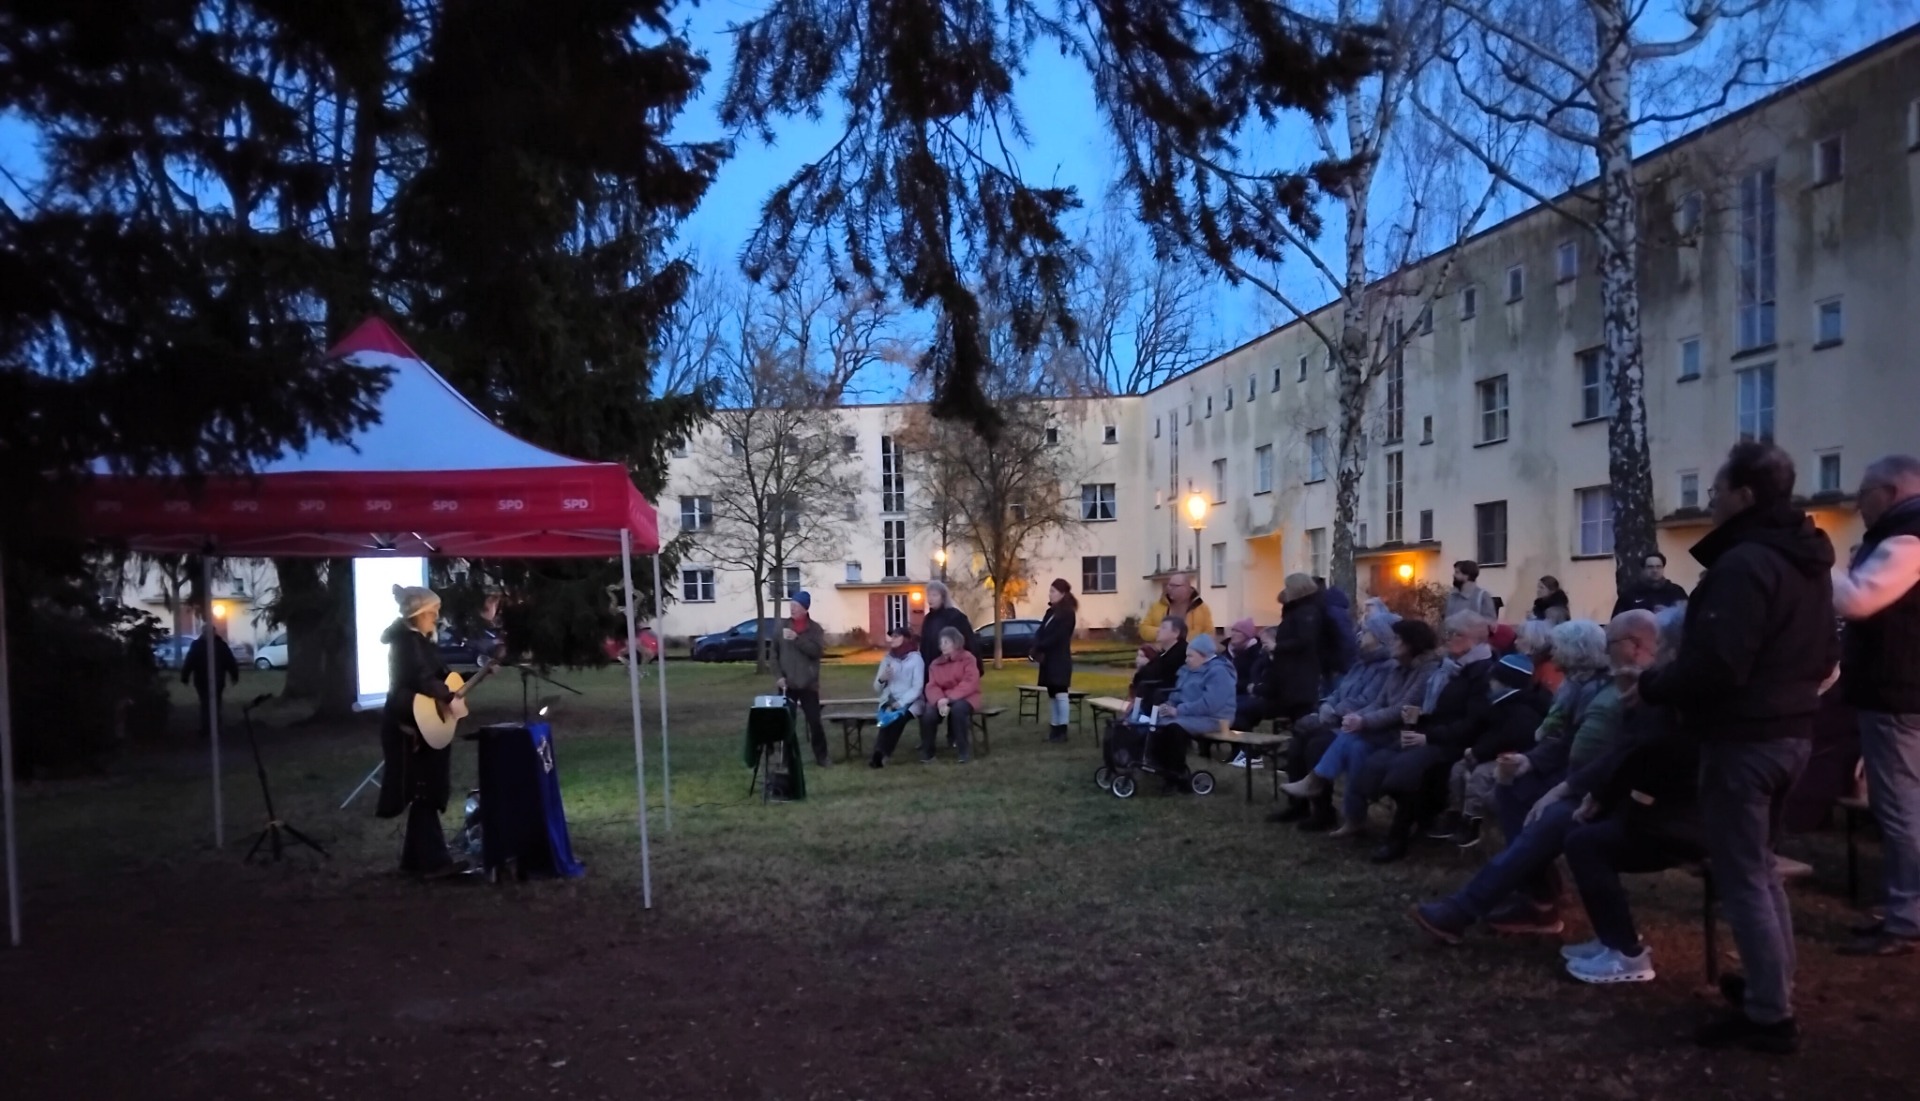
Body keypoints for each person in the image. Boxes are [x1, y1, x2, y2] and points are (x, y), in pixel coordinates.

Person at [1638, 441, 1836, 1054]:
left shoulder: (1745, 565)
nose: (1709, 500)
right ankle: (1771, 987)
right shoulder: (1805, 561)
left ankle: (1770, 1015)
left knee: (1744, 874)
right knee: (1762, 869)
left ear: (1744, 495)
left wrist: (1653, 684)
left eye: (1716, 490)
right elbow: (1825, 653)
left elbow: (1718, 666)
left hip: (1745, 740)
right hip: (1792, 732)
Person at [1409, 609, 1664, 946]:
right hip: (1587, 781)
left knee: (1550, 818)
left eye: (1611, 642)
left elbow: (1603, 756)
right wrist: (1528, 761)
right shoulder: (1587, 687)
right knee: (1512, 787)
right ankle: (1540, 894)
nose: (1552, 656)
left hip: (1610, 795)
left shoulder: (1623, 694)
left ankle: (1464, 909)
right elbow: (1566, 742)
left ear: (1634, 646)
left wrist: (1562, 789)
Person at [1831, 454, 1920, 956]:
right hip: (1904, 690)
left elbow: (1858, 600)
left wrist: (1815, 565)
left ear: (1890, 492)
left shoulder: (1908, 537)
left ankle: (1906, 918)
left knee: (1901, 807)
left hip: (1898, 693)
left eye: (1864, 493)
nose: (1859, 503)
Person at [1559, 695, 1706, 985]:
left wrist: (1601, 797)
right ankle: (1611, 940)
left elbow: (1641, 758)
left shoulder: (1674, 714)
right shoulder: (1688, 711)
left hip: (1688, 827)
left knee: (1586, 845)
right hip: (1688, 819)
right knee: (1588, 838)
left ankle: (1625, 952)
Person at [1280, 619, 1442, 837]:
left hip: (1403, 733)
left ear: (1411, 643)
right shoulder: (1396, 668)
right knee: (1355, 748)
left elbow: (1401, 708)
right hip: (1380, 729)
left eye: (1397, 639)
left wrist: (1362, 720)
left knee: (1343, 739)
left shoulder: (1425, 670)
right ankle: (1353, 817)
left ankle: (1318, 783)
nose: (1392, 642)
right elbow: (1378, 702)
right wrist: (1358, 717)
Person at [375, 585, 465, 878]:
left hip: (415, 722)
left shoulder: (418, 642)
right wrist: (448, 696)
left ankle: (416, 860)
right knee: (424, 788)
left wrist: (460, 683)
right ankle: (433, 861)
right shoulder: (408, 643)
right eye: (433, 612)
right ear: (419, 614)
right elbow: (422, 678)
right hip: (410, 726)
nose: (436, 617)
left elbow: (438, 674)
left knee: (422, 789)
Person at [1435, 653, 1551, 849]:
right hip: (1490, 752)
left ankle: (1472, 821)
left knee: (1480, 776)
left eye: (1494, 679)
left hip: (1514, 756)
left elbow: (1508, 737)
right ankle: (1455, 812)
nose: (1490, 683)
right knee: (1457, 770)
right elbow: (1489, 731)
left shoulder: (1522, 709)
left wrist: (1479, 752)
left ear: (1506, 682)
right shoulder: (1498, 703)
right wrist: (1475, 750)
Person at [1150, 632, 1238, 791]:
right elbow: (1177, 693)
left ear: (1203, 655)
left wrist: (1177, 710)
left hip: (1216, 718)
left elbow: (1211, 704)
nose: (1186, 660)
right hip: (1191, 714)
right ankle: (1163, 770)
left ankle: (1177, 777)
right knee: (1157, 725)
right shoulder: (1188, 669)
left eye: (1190, 656)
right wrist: (1168, 704)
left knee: (1174, 728)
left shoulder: (1219, 672)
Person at [775, 591, 831, 767]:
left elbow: (816, 652)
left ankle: (822, 757)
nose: (792, 609)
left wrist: (797, 639)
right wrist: (778, 676)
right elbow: (773, 655)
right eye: (791, 605)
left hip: (808, 684)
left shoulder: (815, 629)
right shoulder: (781, 626)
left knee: (815, 722)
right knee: (786, 722)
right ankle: (786, 758)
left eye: (796, 606)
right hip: (787, 683)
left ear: (805, 609)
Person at [921, 627, 982, 763]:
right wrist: (939, 700)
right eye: (941, 643)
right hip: (942, 698)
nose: (942, 646)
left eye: (946, 642)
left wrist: (949, 699)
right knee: (928, 713)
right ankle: (928, 753)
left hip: (966, 696)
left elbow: (970, 682)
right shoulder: (935, 664)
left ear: (956, 642)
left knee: (958, 710)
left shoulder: (968, 659)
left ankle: (963, 752)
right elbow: (932, 685)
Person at [869, 625, 926, 767]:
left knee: (898, 719)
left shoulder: (916, 659)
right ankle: (879, 754)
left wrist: (901, 703)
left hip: (912, 702)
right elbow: (877, 688)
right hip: (890, 700)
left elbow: (917, 687)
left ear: (906, 639)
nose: (892, 639)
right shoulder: (888, 659)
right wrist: (882, 679)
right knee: (886, 719)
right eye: (892, 636)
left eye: (896, 636)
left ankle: (883, 754)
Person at [1032, 579, 1078, 743]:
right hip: (1048, 659)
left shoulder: (1068, 614)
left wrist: (1041, 646)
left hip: (1060, 658)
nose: (1050, 594)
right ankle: (1054, 728)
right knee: (1052, 693)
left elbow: (1059, 636)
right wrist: (1036, 644)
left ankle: (1062, 730)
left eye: (1053, 591)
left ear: (1062, 594)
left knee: (1061, 693)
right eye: (1050, 591)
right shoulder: (1050, 612)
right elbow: (1041, 631)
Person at [181, 620, 239, 742]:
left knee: (208, 704)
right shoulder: (218, 645)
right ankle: (212, 727)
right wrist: (234, 675)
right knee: (212, 703)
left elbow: (189, 661)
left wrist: (185, 676)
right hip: (210, 680)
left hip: (207, 680)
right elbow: (230, 661)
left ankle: (209, 728)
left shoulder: (203, 645)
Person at [1130, 617, 1188, 712]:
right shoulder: (1165, 653)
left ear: (1176, 633)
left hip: (1165, 703)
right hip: (1151, 700)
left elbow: (1158, 674)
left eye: (1163, 627)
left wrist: (1144, 667)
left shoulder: (1182, 653)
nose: (1158, 631)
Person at [1140, 572, 1214, 646]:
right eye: (1169, 585)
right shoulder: (1157, 606)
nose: (1169, 588)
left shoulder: (1201, 608)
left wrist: (1193, 645)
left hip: (1191, 651)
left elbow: (1210, 634)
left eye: (1174, 586)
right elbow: (1143, 629)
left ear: (1186, 587)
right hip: (1164, 652)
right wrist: (1163, 632)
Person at [919, 581, 976, 671]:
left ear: (943, 598)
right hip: (932, 667)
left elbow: (968, 641)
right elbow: (924, 645)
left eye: (934, 595)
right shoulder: (928, 619)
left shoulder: (955, 616)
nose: (930, 598)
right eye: (929, 595)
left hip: (952, 666)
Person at [1610, 552, 1690, 617]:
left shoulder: (1677, 591)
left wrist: (1668, 613)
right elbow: (1617, 621)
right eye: (1650, 567)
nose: (1655, 570)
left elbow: (1689, 616)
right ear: (1643, 569)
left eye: (1658, 567)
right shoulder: (1630, 595)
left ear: (1663, 568)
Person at [1315, 577, 1359, 689]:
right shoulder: (1335, 610)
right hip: (1336, 665)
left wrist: (1336, 665)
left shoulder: (1330, 612)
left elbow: (1344, 640)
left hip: (1337, 667)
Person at [1226, 617, 1264, 686]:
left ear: (1247, 635)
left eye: (1237, 631)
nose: (1233, 634)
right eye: (1233, 630)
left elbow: (1254, 679)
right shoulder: (1226, 653)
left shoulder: (1257, 654)